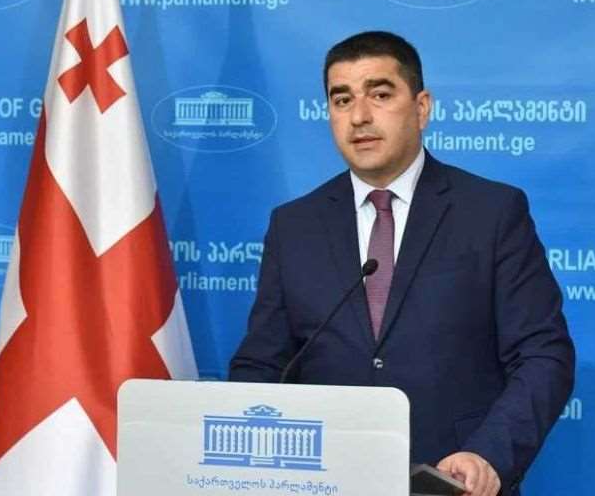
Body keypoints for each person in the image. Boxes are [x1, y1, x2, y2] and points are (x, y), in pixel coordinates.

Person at [229, 31, 574, 496]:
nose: (359, 116)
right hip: (324, 481)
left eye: (380, 94)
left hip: (453, 482)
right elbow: (262, 364)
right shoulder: (295, 226)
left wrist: (488, 454)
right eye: (342, 99)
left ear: (422, 107)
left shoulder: (490, 213)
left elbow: (543, 355)